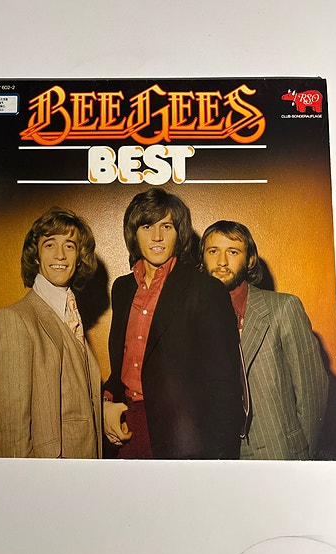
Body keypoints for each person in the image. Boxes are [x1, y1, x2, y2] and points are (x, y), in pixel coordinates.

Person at [103, 188, 244, 459]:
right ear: (134, 233)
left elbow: (224, 386)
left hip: (183, 439)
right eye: (147, 226)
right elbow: (120, 367)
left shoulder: (205, 290)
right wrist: (106, 402)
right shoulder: (122, 288)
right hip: (126, 428)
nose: (157, 236)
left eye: (166, 226)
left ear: (179, 232)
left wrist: (221, 463)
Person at [200, 220, 329, 460]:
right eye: (213, 251)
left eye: (233, 252)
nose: (222, 262)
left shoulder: (283, 308)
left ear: (250, 260)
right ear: (202, 258)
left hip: (278, 452)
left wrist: (301, 456)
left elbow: (312, 392)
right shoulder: (194, 317)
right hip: (220, 456)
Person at [0, 207, 102, 458]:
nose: (60, 254)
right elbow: (10, 432)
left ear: (79, 257)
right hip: (47, 473)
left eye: (69, 246)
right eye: (50, 245)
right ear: (36, 256)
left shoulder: (71, 312)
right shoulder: (14, 320)